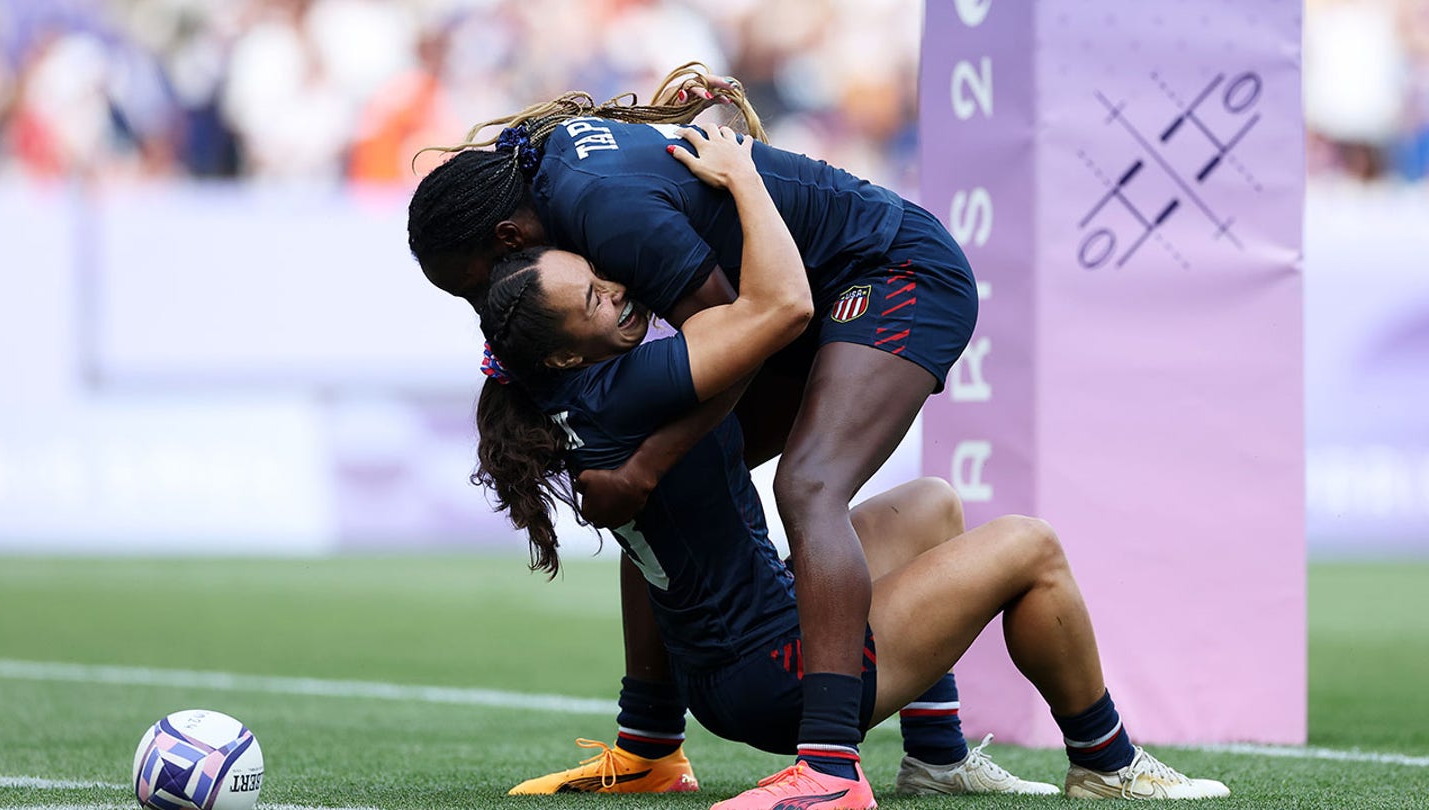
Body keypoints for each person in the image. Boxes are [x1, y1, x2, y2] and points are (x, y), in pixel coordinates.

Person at [465, 124, 1230, 807]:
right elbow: (779, 307)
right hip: (780, 675)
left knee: (929, 504)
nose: (624, 292)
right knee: (1029, 544)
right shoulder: (638, 384)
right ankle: (1103, 761)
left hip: (728, 677)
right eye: (597, 298)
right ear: (563, 349)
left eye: (607, 279)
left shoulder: (565, 396)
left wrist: (651, 737)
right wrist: (744, 176)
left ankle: (935, 757)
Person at [407, 65, 983, 803]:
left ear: (509, 234)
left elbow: (750, 331)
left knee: (808, 487)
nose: (485, 304)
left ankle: (833, 769)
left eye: (473, 284)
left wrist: (646, 464)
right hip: (803, 293)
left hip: (893, 270)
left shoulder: (598, 208)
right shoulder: (544, 180)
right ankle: (652, 750)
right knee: (668, 491)